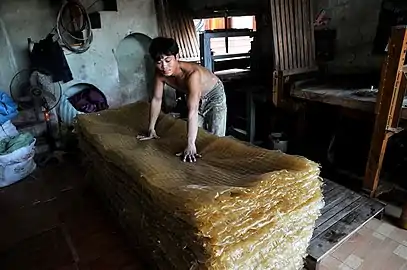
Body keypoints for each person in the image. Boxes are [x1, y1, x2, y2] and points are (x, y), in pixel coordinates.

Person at [137, 37, 227, 162]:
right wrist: (151, 128)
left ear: (176, 57)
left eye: (168, 60)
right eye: (159, 62)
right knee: (198, 137)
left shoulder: (192, 74)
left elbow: (193, 110)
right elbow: (157, 99)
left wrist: (190, 143)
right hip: (195, 97)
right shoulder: (160, 74)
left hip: (214, 95)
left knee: (216, 138)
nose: (164, 66)